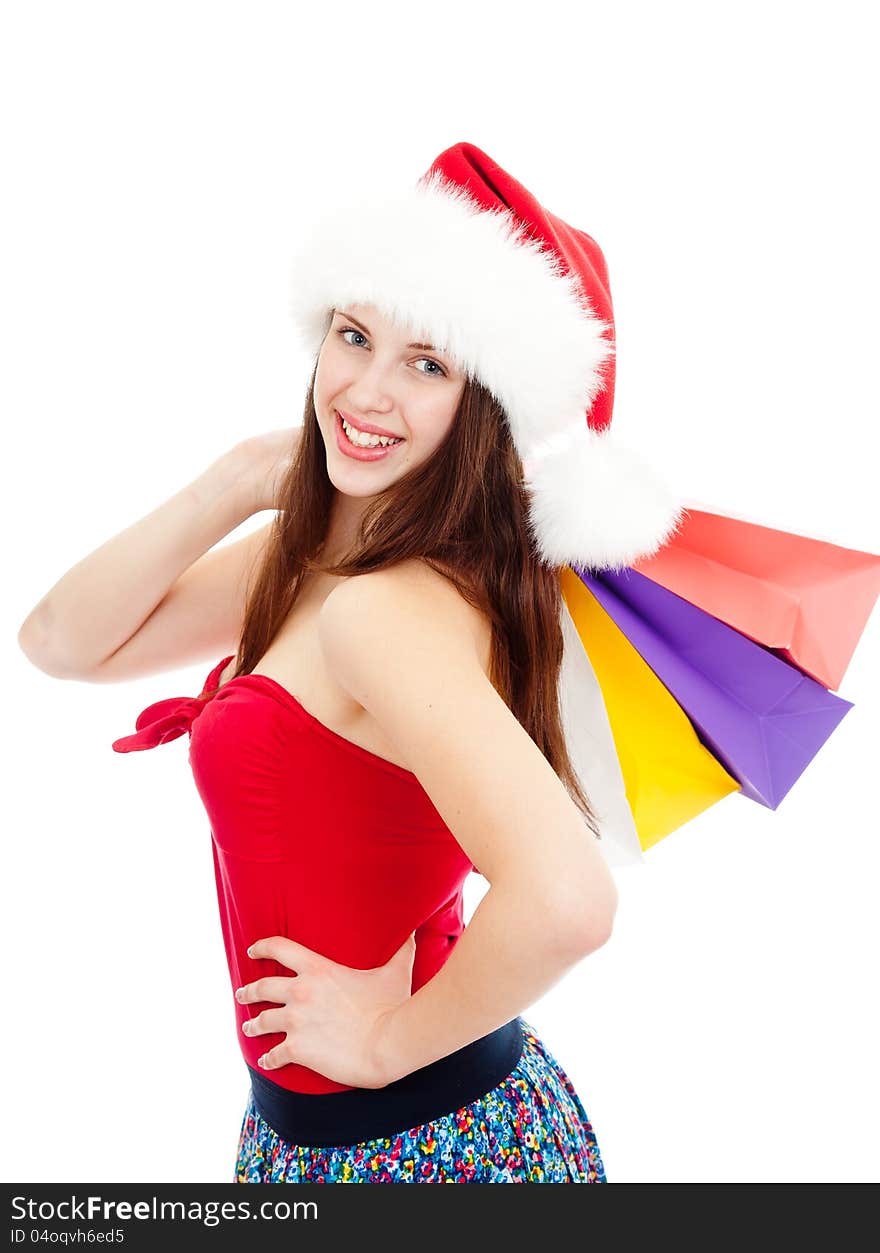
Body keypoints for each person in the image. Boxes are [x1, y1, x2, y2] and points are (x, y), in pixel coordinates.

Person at [17, 141, 682, 1183]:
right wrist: (240, 476)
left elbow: (568, 899)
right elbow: (60, 641)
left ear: (484, 406)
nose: (365, 391)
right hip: (323, 1132)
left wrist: (380, 1042)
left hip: (419, 1150)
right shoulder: (326, 562)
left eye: (427, 363)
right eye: (353, 334)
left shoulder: (382, 611)